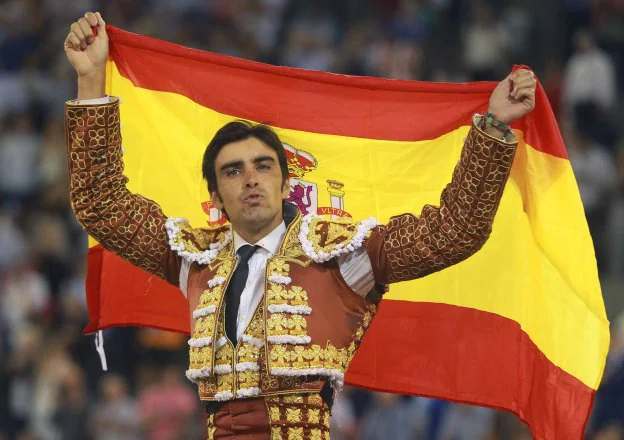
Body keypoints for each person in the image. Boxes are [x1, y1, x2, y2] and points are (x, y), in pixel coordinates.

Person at [63, 11, 536, 440]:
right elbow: (101, 204)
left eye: (264, 166)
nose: (251, 178)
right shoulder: (195, 257)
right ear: (215, 196)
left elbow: (453, 232)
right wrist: (89, 79)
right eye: (233, 170)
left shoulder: (338, 256)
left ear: (286, 183)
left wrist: (495, 125)